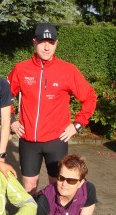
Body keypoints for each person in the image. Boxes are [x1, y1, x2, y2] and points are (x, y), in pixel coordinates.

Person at [7, 22, 97, 194]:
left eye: (51, 42)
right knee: (29, 187)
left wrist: (77, 124)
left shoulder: (68, 70)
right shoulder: (21, 69)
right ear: (34, 42)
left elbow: (90, 98)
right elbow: (3, 96)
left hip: (57, 141)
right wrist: (11, 119)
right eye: (42, 42)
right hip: (28, 141)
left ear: (56, 44)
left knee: (58, 187)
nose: (47, 47)